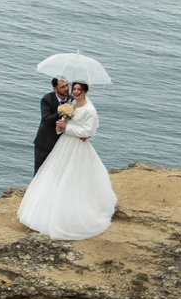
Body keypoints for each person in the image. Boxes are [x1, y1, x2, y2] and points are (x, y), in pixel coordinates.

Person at [19, 80, 117, 240]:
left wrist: (67, 128)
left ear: (85, 92)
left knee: (73, 177)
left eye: (78, 89)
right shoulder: (70, 104)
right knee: (52, 173)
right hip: (62, 144)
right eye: (74, 88)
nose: (74, 91)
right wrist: (61, 127)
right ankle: (45, 207)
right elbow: (56, 121)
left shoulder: (89, 110)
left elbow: (89, 131)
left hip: (76, 146)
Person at [33, 76, 67, 175]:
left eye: (66, 85)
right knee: (39, 172)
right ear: (55, 89)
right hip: (44, 143)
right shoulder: (47, 99)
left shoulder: (72, 99)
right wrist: (62, 110)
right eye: (62, 87)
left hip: (62, 144)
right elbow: (46, 120)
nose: (66, 89)